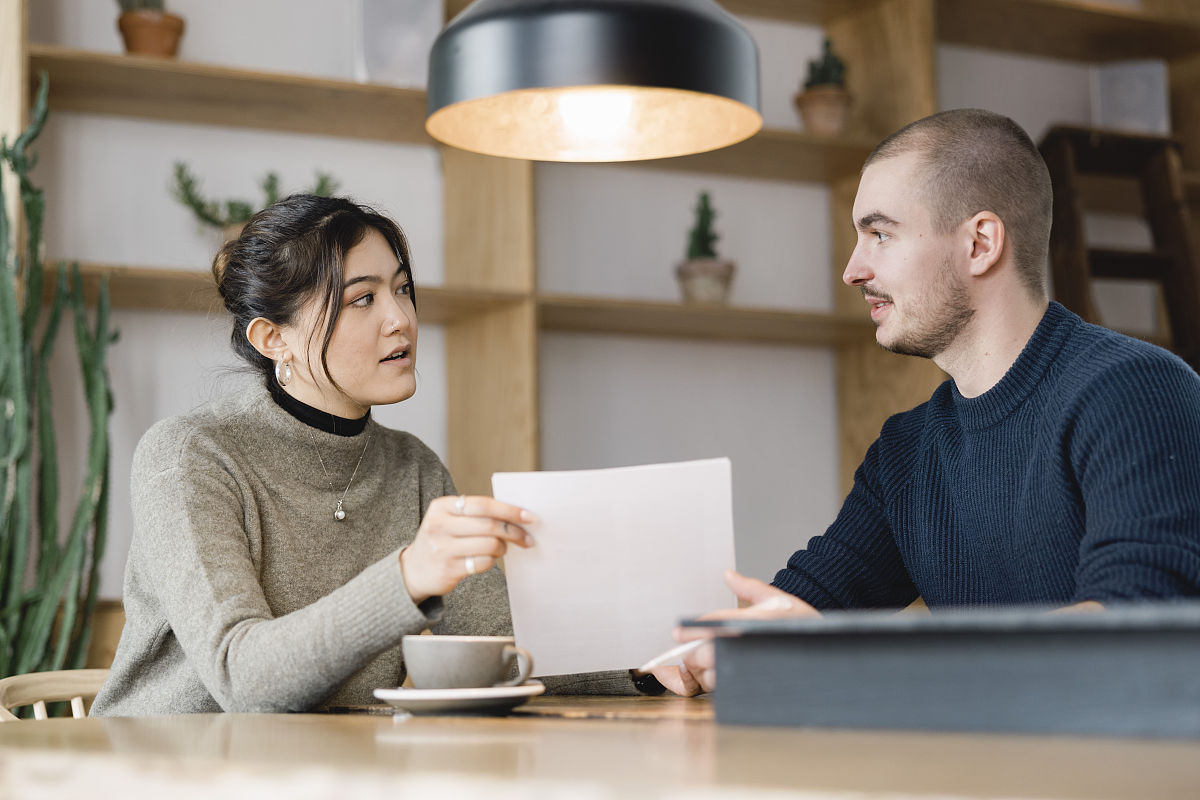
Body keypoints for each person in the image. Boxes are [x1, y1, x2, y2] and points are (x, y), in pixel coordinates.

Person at [652, 108, 1200, 696]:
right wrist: (705, 651)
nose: (852, 270)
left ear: (980, 243)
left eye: (880, 234)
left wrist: (852, 659)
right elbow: (804, 610)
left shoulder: (1135, 390)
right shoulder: (906, 451)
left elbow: (1139, 629)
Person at [93, 195, 642, 715]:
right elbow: (243, 678)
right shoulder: (190, 455)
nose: (400, 318)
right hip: (166, 769)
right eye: (363, 298)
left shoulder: (413, 467)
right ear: (272, 339)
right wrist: (408, 576)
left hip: (325, 769)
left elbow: (500, 654)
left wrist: (649, 671)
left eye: (402, 290)